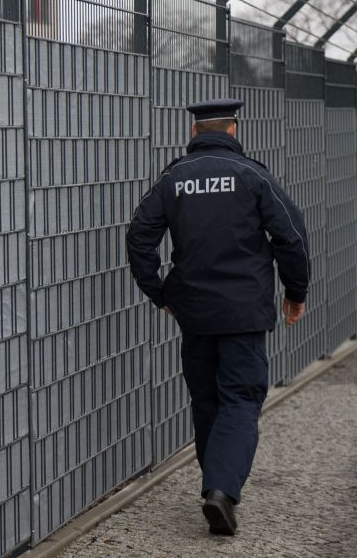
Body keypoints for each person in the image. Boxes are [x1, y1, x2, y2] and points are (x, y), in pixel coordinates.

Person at [126, 98, 310, 536]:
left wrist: (159, 292)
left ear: (195, 133)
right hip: (244, 311)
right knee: (241, 399)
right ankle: (221, 491)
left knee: (207, 401)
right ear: (232, 130)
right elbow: (291, 235)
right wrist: (295, 291)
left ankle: (215, 488)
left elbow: (139, 238)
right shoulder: (252, 175)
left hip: (195, 312)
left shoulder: (174, 178)